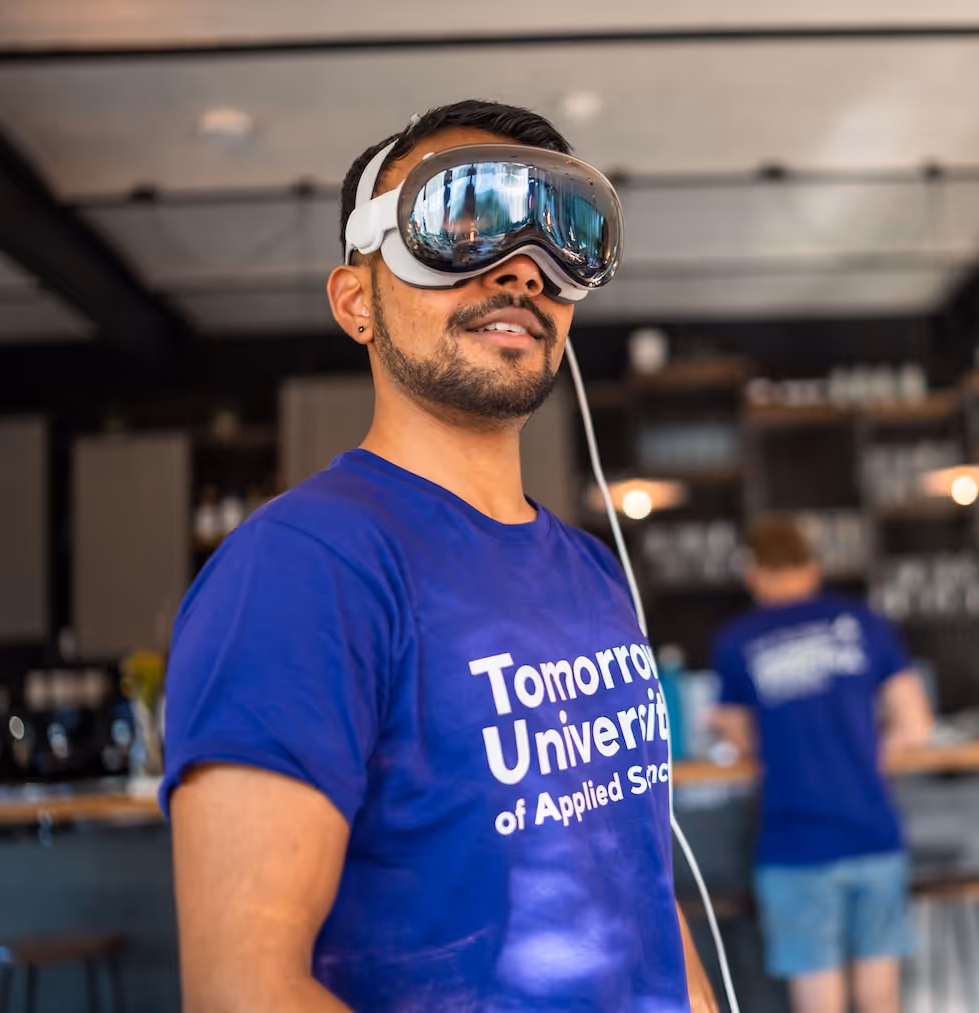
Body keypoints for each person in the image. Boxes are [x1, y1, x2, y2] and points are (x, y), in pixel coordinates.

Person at [162, 100, 716, 1013]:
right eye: (461, 224)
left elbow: (637, 888)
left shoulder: (591, 570)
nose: (523, 271)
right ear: (356, 303)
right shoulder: (302, 569)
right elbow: (244, 991)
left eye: (558, 239)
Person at [711, 516, 934, 1013]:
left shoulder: (738, 638)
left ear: (754, 574)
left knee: (818, 1000)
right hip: (872, 829)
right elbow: (916, 722)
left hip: (795, 842)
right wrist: (867, 755)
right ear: (812, 566)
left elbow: (736, 732)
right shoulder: (860, 621)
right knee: (880, 994)